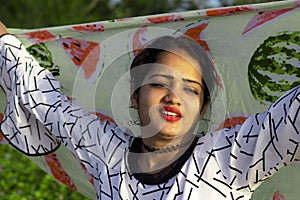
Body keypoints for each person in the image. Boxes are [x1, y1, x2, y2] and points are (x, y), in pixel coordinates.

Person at [0, 21, 299, 200]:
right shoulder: (108, 152)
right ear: (135, 95)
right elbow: (47, 101)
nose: (173, 97)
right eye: (159, 83)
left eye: (190, 89)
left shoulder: (231, 156)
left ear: (203, 105)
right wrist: (3, 42)